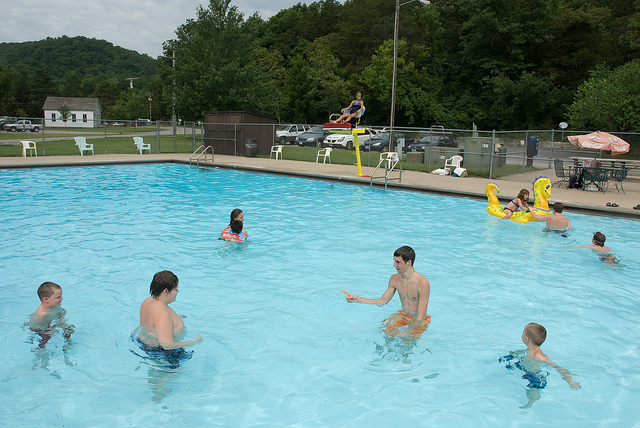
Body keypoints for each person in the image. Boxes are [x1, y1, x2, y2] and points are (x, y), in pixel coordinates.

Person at [341, 246, 430, 338]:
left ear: (409, 262)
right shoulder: (395, 279)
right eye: (394, 261)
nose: (394, 265)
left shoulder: (422, 283)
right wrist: (357, 299)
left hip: (419, 320)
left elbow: (421, 315)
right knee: (385, 332)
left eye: (398, 262)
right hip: (404, 315)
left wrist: (407, 330)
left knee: (406, 342)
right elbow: (383, 301)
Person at [500, 323, 580, 408]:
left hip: (535, 375)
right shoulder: (529, 350)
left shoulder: (540, 357)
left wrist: (570, 381)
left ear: (527, 339)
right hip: (525, 368)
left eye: (523, 333)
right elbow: (524, 353)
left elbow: (558, 368)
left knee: (533, 392)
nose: (522, 335)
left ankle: (530, 403)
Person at [137, 270, 202, 351]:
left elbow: (148, 326)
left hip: (142, 342)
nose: (177, 292)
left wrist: (176, 318)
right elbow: (167, 345)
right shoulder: (163, 315)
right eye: (175, 289)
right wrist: (193, 342)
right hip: (162, 353)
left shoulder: (147, 301)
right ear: (166, 291)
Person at [29, 282, 74, 348]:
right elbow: (44, 328)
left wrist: (60, 322)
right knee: (47, 338)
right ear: (46, 299)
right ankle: (41, 351)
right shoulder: (41, 315)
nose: (62, 298)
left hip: (48, 324)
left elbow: (62, 312)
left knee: (69, 329)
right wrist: (54, 330)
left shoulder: (54, 305)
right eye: (58, 297)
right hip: (38, 328)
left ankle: (68, 343)